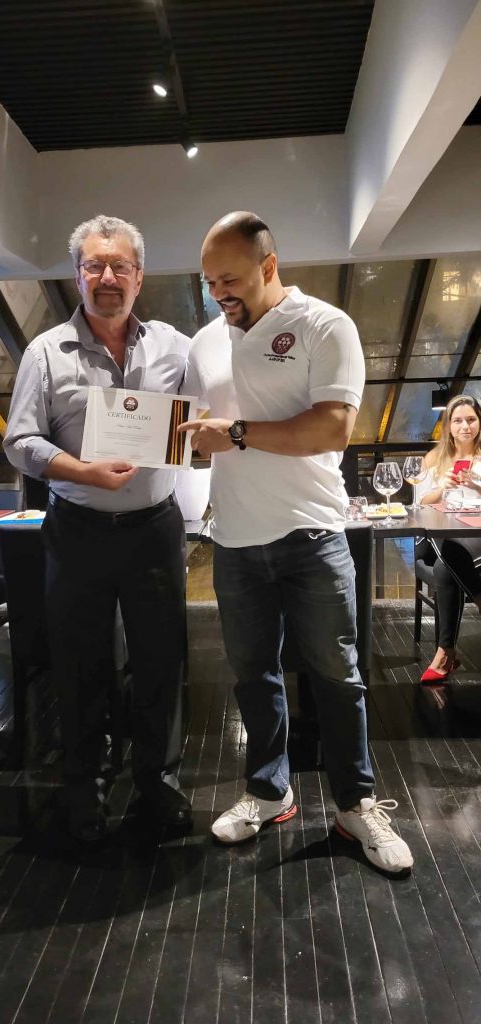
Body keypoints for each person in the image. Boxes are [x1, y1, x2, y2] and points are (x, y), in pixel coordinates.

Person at [179, 211, 413, 875]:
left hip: (313, 536)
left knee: (337, 677)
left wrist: (240, 434)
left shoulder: (323, 325)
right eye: (209, 282)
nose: (219, 292)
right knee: (254, 677)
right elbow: (202, 432)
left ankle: (355, 804)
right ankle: (267, 789)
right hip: (235, 543)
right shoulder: (205, 342)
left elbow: (333, 428)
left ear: (268, 265)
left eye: (230, 279)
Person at [4, 214, 192, 840]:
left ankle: (158, 785)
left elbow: (201, 421)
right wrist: (80, 471)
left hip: (156, 529)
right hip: (78, 529)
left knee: (160, 660)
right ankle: (84, 788)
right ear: (77, 275)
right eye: (94, 265)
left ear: (140, 277)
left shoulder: (175, 347)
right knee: (82, 664)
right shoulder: (45, 352)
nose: (107, 277)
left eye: (120, 266)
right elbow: (20, 442)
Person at [417, 395, 481, 682]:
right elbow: (418, 503)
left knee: (446, 567)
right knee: (445, 545)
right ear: (448, 426)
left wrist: (476, 485)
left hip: (476, 536)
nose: (465, 426)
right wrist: (441, 487)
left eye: (471, 419)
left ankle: (446, 654)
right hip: (441, 535)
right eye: (458, 420)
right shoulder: (435, 458)